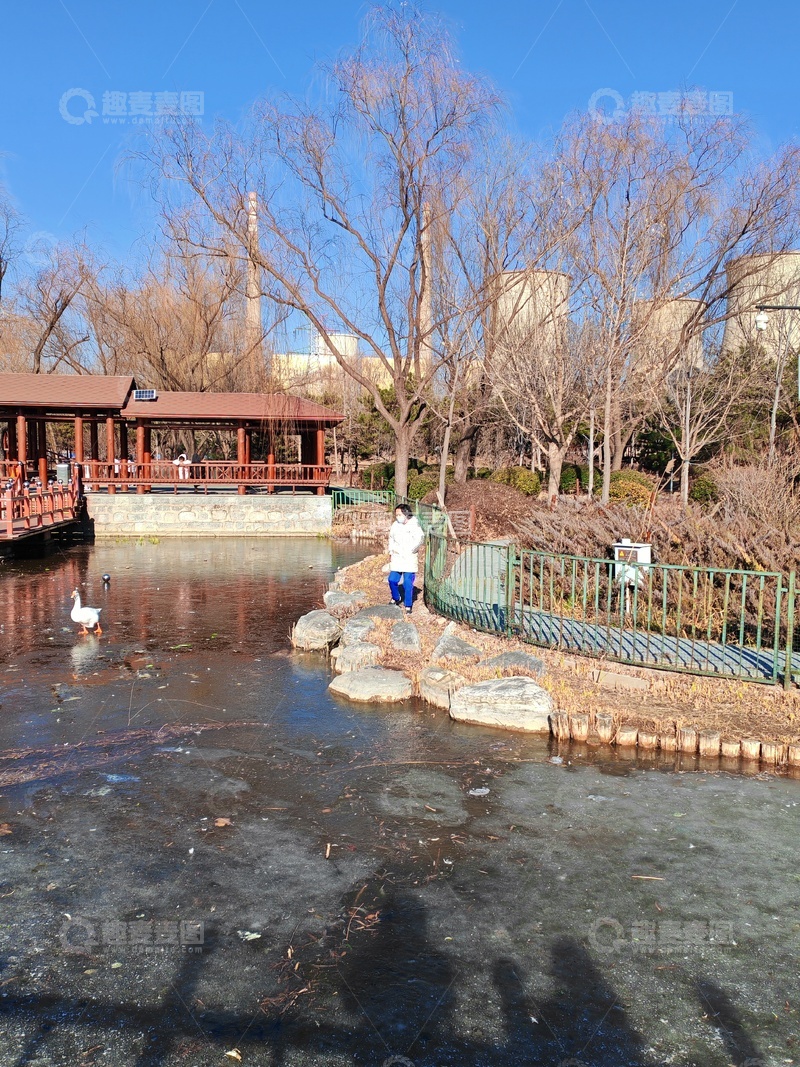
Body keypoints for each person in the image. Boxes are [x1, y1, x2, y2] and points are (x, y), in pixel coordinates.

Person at [387, 503, 425, 615]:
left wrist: (411, 550)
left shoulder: (414, 524)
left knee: (408, 583)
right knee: (392, 579)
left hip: (409, 558)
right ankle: (396, 597)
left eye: (399, 514)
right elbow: (391, 538)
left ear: (406, 514)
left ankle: (408, 604)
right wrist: (391, 550)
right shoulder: (395, 525)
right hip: (397, 556)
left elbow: (420, 538)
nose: (397, 517)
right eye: (396, 515)